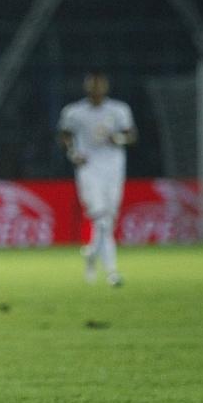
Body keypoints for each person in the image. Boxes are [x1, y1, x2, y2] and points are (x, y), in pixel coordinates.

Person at [59, 72, 136, 287]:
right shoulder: (74, 112)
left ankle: (92, 253)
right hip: (89, 168)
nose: (95, 89)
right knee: (101, 219)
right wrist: (73, 153)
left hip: (113, 168)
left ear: (105, 87)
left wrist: (118, 138)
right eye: (92, 85)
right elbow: (64, 135)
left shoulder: (119, 110)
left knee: (108, 221)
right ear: (86, 88)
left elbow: (131, 136)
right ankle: (112, 272)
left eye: (99, 85)